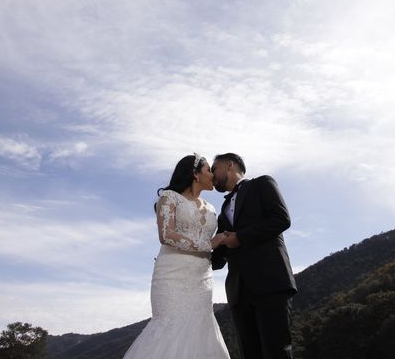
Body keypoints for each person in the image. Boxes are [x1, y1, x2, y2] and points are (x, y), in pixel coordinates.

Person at [123, 153, 230, 359]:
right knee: (170, 324)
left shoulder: (211, 208)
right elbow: (166, 235)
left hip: (202, 278)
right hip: (172, 274)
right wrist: (208, 244)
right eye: (208, 170)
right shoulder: (169, 198)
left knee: (201, 327)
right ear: (195, 174)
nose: (213, 175)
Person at [211, 153, 297, 359]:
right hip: (238, 292)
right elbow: (218, 258)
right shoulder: (223, 212)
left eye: (214, 169)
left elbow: (281, 219)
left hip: (270, 282)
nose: (212, 175)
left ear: (229, 165)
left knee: (277, 350)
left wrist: (240, 237)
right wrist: (185, 257)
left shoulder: (262, 184)